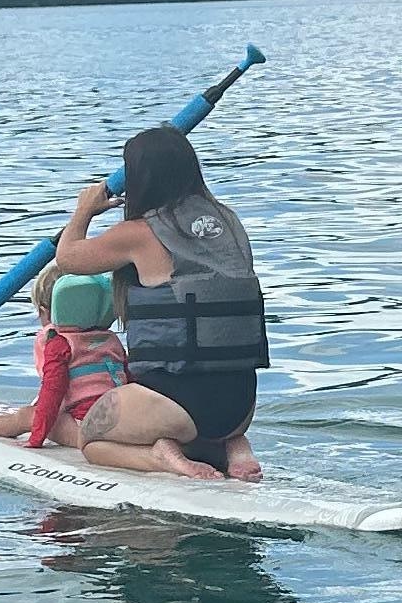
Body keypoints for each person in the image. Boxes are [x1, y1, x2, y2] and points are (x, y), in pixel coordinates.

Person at [50, 124, 270, 484]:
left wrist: (85, 210)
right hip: (240, 404)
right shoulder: (229, 220)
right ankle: (234, 445)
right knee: (202, 417)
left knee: (91, 439)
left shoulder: (140, 233)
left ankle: (162, 457)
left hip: (175, 403)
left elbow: (68, 259)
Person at [0, 262, 130, 446]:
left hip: (87, 426)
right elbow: (128, 378)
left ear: (44, 311)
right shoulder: (109, 339)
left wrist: (36, 437)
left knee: (25, 416)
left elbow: (53, 391)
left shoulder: (58, 343)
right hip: (123, 416)